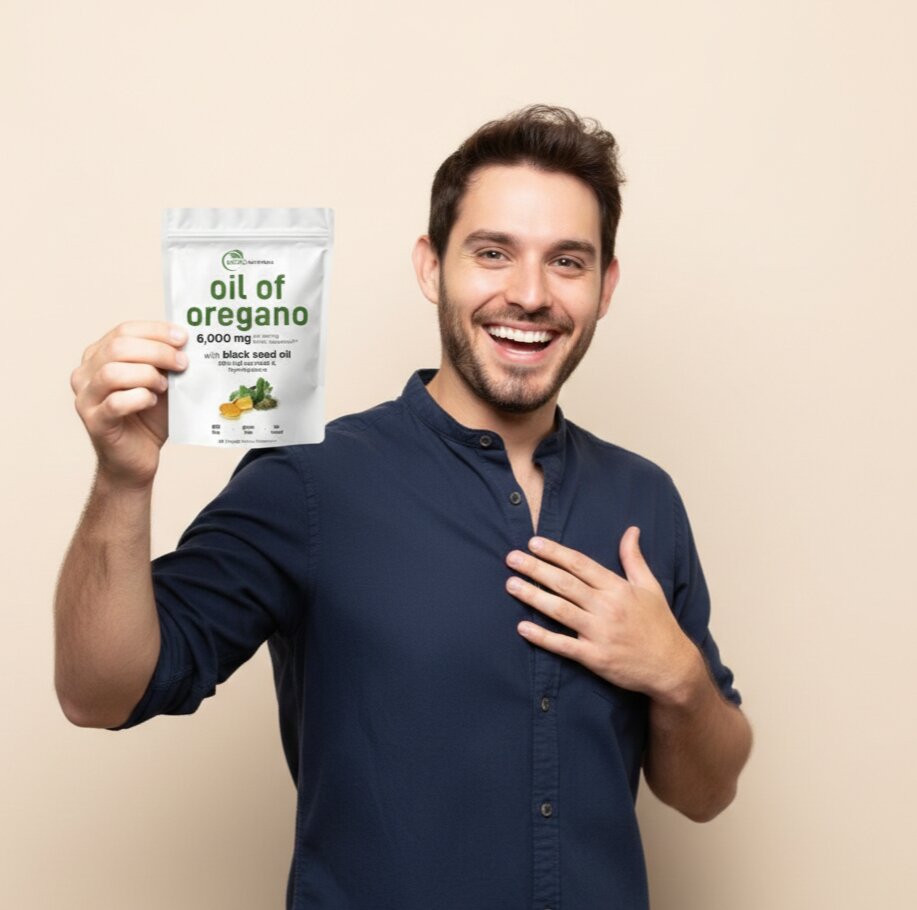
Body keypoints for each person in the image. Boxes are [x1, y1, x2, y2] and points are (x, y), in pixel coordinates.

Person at [57, 105, 752, 909]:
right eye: (492, 254)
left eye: (567, 261)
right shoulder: (309, 480)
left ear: (605, 286)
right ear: (431, 267)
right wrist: (121, 480)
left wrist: (679, 679)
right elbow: (98, 693)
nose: (529, 295)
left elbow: (706, 793)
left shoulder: (644, 499)